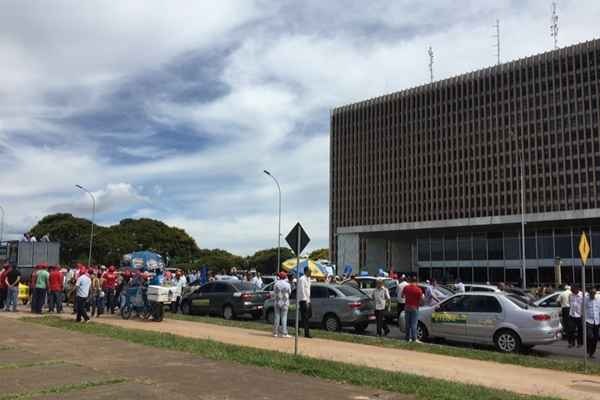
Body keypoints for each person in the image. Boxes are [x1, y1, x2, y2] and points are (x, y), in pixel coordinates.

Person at [403, 276, 424, 342]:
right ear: (416, 282)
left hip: (407, 306)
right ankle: (414, 338)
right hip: (415, 307)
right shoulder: (418, 289)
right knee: (414, 324)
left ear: (410, 281)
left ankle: (407, 337)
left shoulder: (406, 288)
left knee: (407, 323)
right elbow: (421, 300)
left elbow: (402, 296)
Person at [273, 272, 292, 338]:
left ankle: (275, 333)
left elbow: (274, 292)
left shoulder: (276, 284)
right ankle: (284, 333)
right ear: (285, 277)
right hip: (285, 302)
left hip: (277, 301)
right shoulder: (287, 284)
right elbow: (290, 292)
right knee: (284, 317)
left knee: (276, 317)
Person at [297, 267, 312, 338]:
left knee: (309, 315)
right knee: (305, 317)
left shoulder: (309, 279)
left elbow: (308, 290)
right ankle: (307, 333)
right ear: (306, 272)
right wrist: (305, 301)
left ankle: (298, 327)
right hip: (303, 300)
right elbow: (302, 290)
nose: (311, 273)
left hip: (308, 300)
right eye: (310, 272)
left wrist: (308, 301)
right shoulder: (302, 279)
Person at [586, 287, 600, 358]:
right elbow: (583, 310)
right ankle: (588, 348)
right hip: (588, 321)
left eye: (594, 293)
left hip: (597, 321)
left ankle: (592, 352)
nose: (593, 294)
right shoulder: (585, 299)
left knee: (596, 338)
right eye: (591, 293)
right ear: (589, 293)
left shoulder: (598, 299)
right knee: (589, 336)